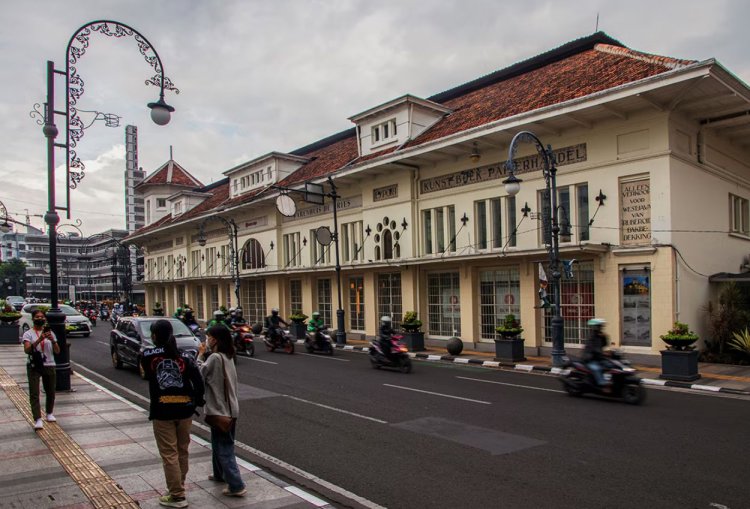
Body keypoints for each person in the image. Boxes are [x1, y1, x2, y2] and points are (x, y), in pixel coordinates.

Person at [141, 319, 205, 508]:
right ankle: (179, 486)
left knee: (169, 453)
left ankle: (177, 495)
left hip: (162, 411)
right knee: (182, 451)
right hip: (185, 409)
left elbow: (147, 373)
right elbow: (198, 381)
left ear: (154, 335)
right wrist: (197, 400)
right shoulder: (184, 356)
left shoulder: (147, 355)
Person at [198, 325, 247, 497]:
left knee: (223, 447)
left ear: (215, 339)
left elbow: (199, 375)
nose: (207, 340)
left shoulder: (214, 358)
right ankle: (219, 474)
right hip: (231, 409)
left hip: (220, 410)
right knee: (219, 442)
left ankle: (236, 485)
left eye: (209, 337)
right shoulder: (228, 356)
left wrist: (200, 355)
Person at [22, 310, 60, 430]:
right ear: (33, 319)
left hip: (49, 364)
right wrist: (39, 339)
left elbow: (57, 351)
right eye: (37, 317)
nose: (40, 318)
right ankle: (37, 419)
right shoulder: (28, 334)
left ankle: (49, 413)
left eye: (42, 317)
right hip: (35, 366)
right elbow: (27, 350)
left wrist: (52, 340)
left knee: (51, 391)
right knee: (34, 393)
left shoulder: (50, 333)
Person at [583, 318, 610, 389]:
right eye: (599, 326)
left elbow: (605, 344)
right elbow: (593, 348)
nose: (601, 328)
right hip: (590, 358)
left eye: (601, 326)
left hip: (598, 357)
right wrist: (603, 353)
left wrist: (605, 337)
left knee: (609, 365)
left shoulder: (600, 336)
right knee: (596, 368)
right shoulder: (592, 337)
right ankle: (602, 383)